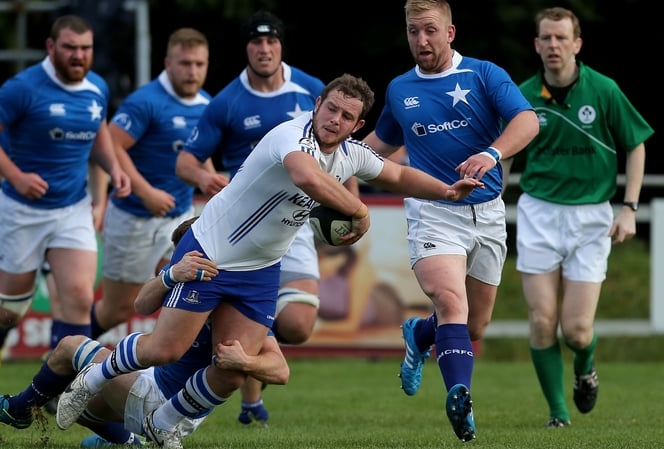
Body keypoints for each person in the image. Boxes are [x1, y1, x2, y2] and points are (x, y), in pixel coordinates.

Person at [56, 73, 483, 449]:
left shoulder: (352, 153)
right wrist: (359, 210)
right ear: (317, 104)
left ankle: (164, 425)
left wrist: (446, 190)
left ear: (358, 126)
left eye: (346, 116)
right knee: (164, 349)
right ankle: (91, 380)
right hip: (212, 251)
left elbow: (398, 175)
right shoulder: (291, 135)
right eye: (330, 108)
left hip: (260, 270)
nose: (334, 119)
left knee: (233, 366)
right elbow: (306, 176)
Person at [361, 0, 540, 442]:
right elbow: (376, 147)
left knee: (473, 325)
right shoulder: (400, 89)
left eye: (430, 30)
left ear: (450, 32)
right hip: (432, 212)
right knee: (450, 302)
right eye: (413, 31)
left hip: (488, 212)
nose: (421, 40)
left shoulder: (483, 74)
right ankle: (461, 399)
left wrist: (491, 153)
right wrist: (325, 165)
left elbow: (527, 120)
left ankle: (419, 333)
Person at [0, 218, 289, 447]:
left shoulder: (234, 309)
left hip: (168, 401)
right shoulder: (187, 279)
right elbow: (141, 304)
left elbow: (281, 370)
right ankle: (131, 443)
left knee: (70, 347)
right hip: (156, 387)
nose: (176, 259)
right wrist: (172, 274)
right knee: (75, 402)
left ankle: (18, 410)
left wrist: (245, 362)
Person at [0, 14, 132, 417]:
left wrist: (113, 167)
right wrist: (15, 176)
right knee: (10, 308)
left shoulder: (97, 87)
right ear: (51, 47)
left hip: (72, 208)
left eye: (86, 49)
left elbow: (97, 130)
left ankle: (61, 390)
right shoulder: (24, 87)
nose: (79, 56)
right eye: (70, 48)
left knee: (80, 298)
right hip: (21, 211)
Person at [174, 10, 339, 425]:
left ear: (281, 44)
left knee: (298, 325)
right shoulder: (227, 101)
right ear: (246, 48)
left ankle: (241, 349)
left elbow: (340, 149)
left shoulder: (312, 90)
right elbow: (186, 161)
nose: (264, 49)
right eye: (256, 42)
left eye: (271, 41)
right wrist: (204, 176)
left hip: (293, 222)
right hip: (240, 229)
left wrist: (346, 198)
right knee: (243, 316)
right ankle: (249, 403)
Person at [503, 7, 654, 429]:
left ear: (577, 44)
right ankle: (558, 415)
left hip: (591, 218)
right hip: (538, 213)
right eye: (546, 38)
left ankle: (585, 368)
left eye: (561, 38)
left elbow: (636, 145)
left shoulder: (604, 90)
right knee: (541, 322)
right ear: (536, 45)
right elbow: (505, 153)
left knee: (577, 331)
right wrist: (489, 203)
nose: (554, 45)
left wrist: (629, 208)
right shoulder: (522, 95)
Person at [88, 27, 213, 344]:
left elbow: (201, 152)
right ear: (168, 63)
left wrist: (213, 183)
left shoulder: (207, 105)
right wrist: (146, 192)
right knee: (118, 310)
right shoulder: (145, 102)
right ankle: (64, 351)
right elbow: (111, 147)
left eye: (199, 64)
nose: (192, 71)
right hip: (135, 219)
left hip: (180, 217)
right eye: (185, 64)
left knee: (190, 289)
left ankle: (182, 364)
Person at [0, 153, 109, 381]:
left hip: (66, 222)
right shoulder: (21, 136)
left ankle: (56, 368)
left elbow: (98, 159)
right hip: (24, 223)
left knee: (66, 301)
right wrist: (17, 180)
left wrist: (99, 203)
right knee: (14, 310)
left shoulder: (80, 132)